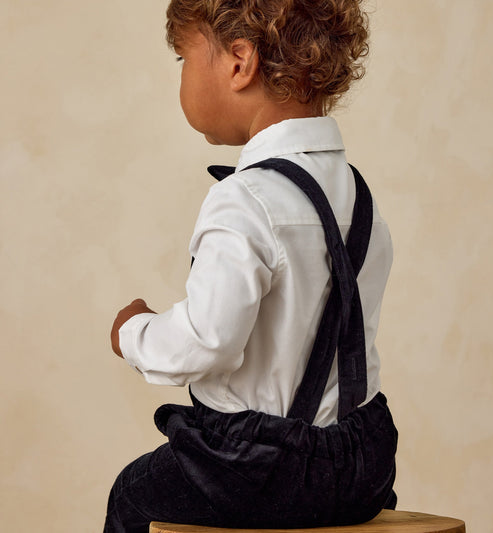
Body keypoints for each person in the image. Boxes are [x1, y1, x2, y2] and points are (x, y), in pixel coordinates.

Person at [104, 1, 398, 531]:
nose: (182, 74)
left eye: (184, 59)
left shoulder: (246, 200)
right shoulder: (360, 198)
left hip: (257, 471)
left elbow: (208, 341)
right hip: (361, 466)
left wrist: (133, 332)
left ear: (239, 62)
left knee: (133, 495)